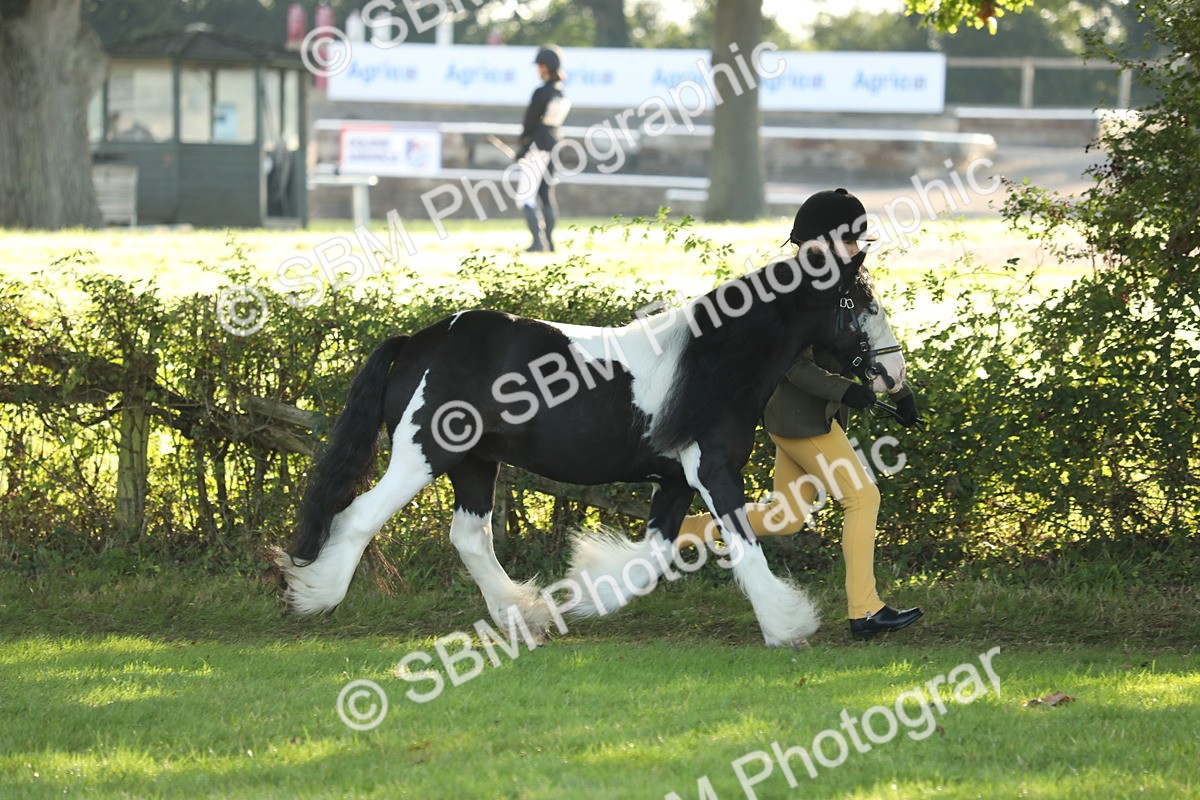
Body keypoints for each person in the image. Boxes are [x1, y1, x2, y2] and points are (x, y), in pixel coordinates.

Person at [676, 188, 924, 642]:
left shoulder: (842, 287)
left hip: (813, 420)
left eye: (859, 241)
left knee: (785, 517)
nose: (858, 248)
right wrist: (846, 391)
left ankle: (680, 533)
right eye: (850, 240)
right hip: (800, 421)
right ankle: (864, 611)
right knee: (862, 498)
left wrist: (901, 391)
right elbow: (791, 366)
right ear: (821, 242)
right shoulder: (792, 293)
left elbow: (867, 344)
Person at [515, 45, 570, 252]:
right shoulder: (561, 93)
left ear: (545, 67)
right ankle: (550, 242)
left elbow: (529, 122)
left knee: (524, 196)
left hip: (537, 147)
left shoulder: (541, 92)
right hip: (554, 145)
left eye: (539, 65)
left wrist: (522, 146)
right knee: (546, 194)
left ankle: (538, 242)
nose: (538, 69)